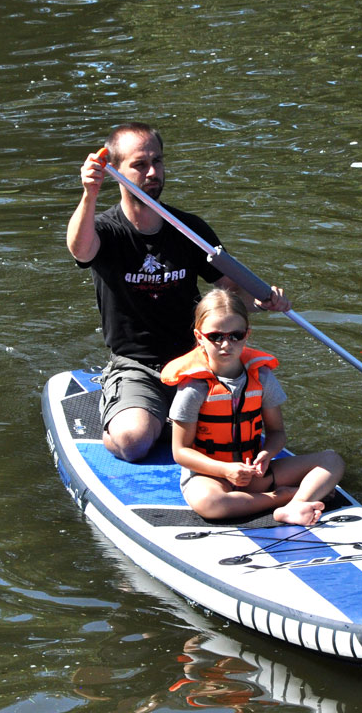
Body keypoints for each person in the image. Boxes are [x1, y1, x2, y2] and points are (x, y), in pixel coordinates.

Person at [66, 123, 291, 462]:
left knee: (237, 431)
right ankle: (127, 408)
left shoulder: (189, 229)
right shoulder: (104, 230)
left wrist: (262, 302)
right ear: (115, 170)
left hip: (198, 359)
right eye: (140, 165)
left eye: (158, 161)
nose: (153, 172)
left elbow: (230, 292)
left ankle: (171, 419)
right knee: (132, 441)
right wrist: (90, 193)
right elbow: (80, 250)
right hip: (136, 364)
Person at [162, 289, 344, 526]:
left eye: (235, 335)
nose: (226, 344)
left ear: (247, 334)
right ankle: (289, 497)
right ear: (200, 337)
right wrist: (225, 470)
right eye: (216, 336)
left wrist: (266, 455)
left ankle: (292, 507)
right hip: (210, 476)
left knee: (332, 461)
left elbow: (277, 432)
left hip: (256, 475)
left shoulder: (262, 377)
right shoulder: (194, 387)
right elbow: (181, 452)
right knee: (211, 504)